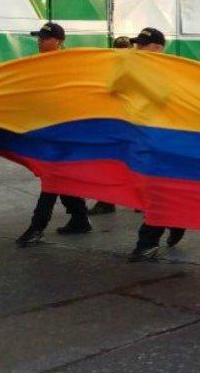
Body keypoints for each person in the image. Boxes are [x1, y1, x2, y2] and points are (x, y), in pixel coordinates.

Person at [15, 23, 91, 247]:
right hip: (45, 129)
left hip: (66, 131)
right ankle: (79, 218)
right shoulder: (35, 63)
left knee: (52, 176)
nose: (39, 41)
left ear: (58, 41)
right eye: (38, 37)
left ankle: (37, 226)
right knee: (60, 176)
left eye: (44, 38)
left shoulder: (69, 64)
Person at [126, 28, 187, 261]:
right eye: (138, 45)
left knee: (157, 192)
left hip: (165, 142)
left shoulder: (171, 73)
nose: (139, 49)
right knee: (151, 191)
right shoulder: (137, 72)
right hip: (144, 141)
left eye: (145, 45)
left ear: (159, 49)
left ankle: (148, 241)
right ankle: (176, 221)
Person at [88, 36, 136, 216]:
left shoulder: (136, 72)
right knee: (109, 165)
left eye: (125, 48)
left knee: (132, 165)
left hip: (130, 126)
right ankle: (106, 201)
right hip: (113, 126)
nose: (122, 52)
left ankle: (140, 200)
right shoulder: (108, 71)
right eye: (119, 49)